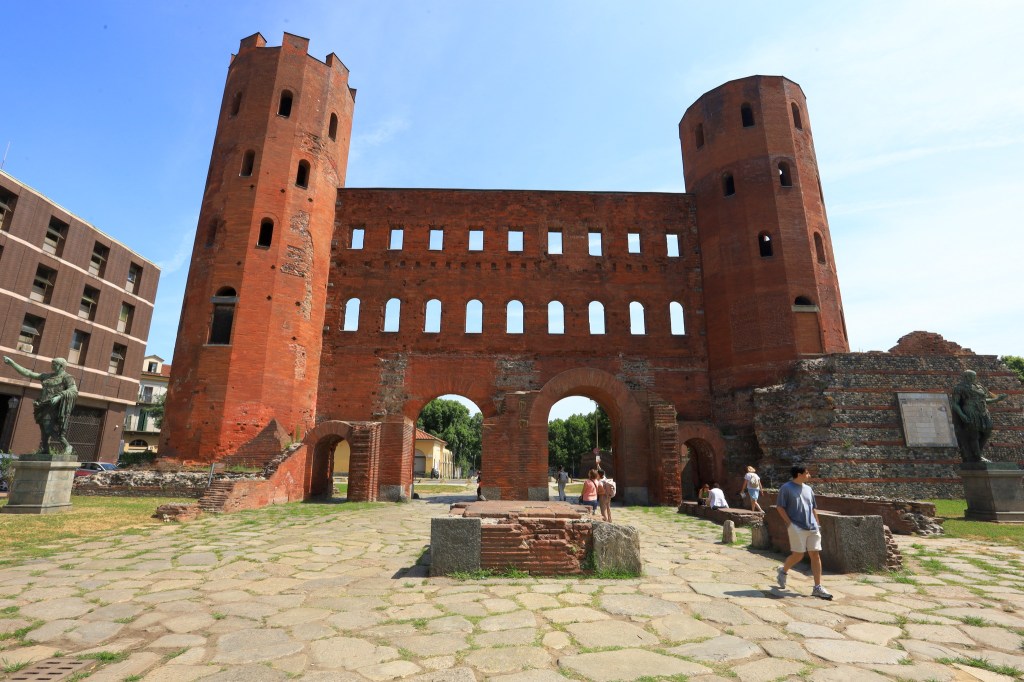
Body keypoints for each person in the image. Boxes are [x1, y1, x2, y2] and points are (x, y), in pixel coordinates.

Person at [775, 465, 833, 600]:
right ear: (799, 474)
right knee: (798, 555)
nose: (809, 475)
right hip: (796, 526)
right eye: (807, 473)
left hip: (812, 527)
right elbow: (780, 507)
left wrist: (817, 524)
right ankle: (783, 571)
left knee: (815, 554)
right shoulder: (786, 488)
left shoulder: (808, 489)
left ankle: (817, 587)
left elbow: (813, 508)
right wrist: (790, 523)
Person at [3, 356, 78, 456]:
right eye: (52, 363)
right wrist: (12, 363)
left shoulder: (67, 377)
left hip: (54, 407)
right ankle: (45, 449)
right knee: (43, 429)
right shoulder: (46, 376)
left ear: (61, 366)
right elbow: (28, 373)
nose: (52, 365)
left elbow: (73, 390)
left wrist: (59, 396)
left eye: (54, 364)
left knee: (47, 428)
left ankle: (67, 445)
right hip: (42, 405)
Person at [951, 370, 1007, 463]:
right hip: (970, 411)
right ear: (966, 377)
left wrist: (997, 399)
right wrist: (962, 415)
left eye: (974, 376)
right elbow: (955, 403)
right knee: (974, 433)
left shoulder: (979, 386)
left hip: (983, 412)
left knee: (987, 431)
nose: (974, 378)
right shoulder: (959, 388)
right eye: (972, 376)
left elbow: (984, 400)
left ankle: (977, 453)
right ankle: (978, 456)